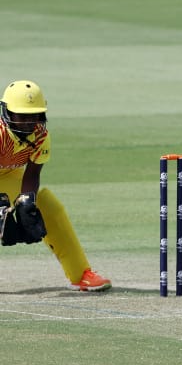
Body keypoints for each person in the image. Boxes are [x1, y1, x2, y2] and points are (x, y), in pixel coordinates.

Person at [0, 80, 111, 291]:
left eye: (34, 116)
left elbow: (32, 174)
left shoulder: (40, 136)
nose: (28, 122)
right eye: (22, 116)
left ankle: (82, 275)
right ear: (7, 113)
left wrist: (26, 203)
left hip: (7, 174)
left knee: (49, 207)